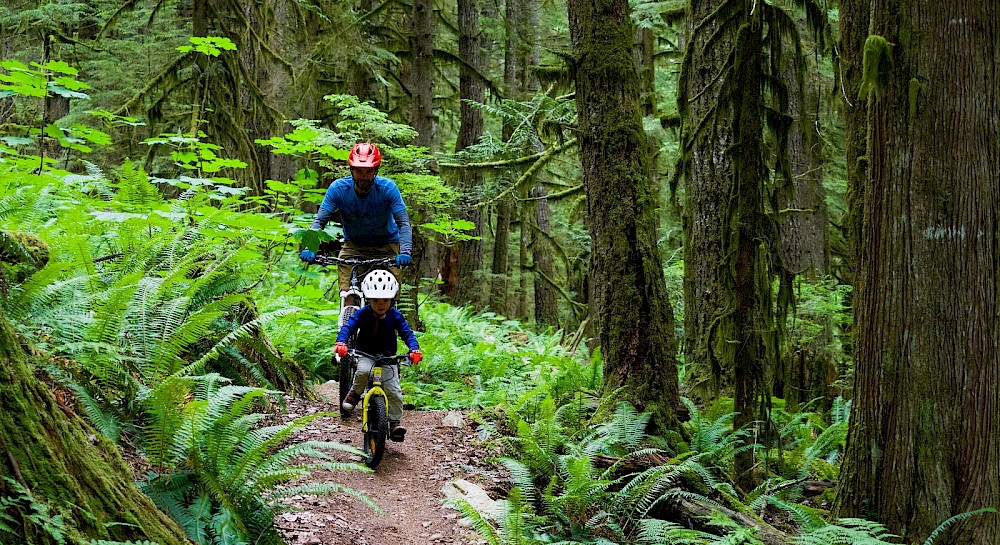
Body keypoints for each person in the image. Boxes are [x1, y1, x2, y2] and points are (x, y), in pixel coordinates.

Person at [300, 142, 413, 299]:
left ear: (375, 171)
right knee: (348, 295)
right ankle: (347, 319)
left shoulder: (388, 189)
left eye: (368, 171)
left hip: (387, 247)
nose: (363, 176)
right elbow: (320, 221)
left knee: (386, 297)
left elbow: (403, 224)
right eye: (359, 171)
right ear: (351, 170)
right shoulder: (338, 190)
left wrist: (405, 251)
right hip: (354, 247)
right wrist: (309, 247)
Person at [336, 269, 422, 441]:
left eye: (385, 300)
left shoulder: (395, 315)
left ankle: (395, 423)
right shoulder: (362, 313)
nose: (381, 304)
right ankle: (354, 393)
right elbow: (349, 327)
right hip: (366, 353)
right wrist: (341, 342)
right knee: (362, 372)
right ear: (368, 299)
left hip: (388, 358)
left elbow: (407, 333)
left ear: (391, 299)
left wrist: (414, 349)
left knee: (394, 391)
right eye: (376, 300)